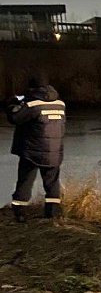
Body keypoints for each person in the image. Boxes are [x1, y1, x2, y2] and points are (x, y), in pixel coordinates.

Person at [5, 76, 66, 222]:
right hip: (54, 150)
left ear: (32, 88)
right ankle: (52, 213)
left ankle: (20, 213)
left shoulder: (32, 105)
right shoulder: (60, 104)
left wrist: (12, 104)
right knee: (52, 182)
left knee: (25, 180)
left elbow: (15, 118)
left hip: (32, 151)